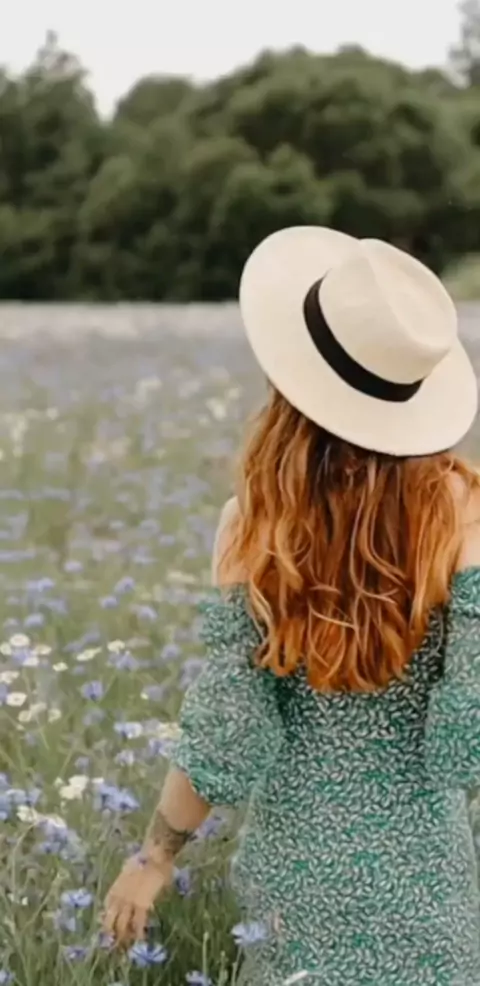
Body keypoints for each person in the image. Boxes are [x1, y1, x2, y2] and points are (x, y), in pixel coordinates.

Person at [103, 226, 480, 985]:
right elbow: (464, 743)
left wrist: (155, 857)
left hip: (293, 889)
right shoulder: (464, 518)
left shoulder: (254, 526)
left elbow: (228, 730)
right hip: (429, 893)